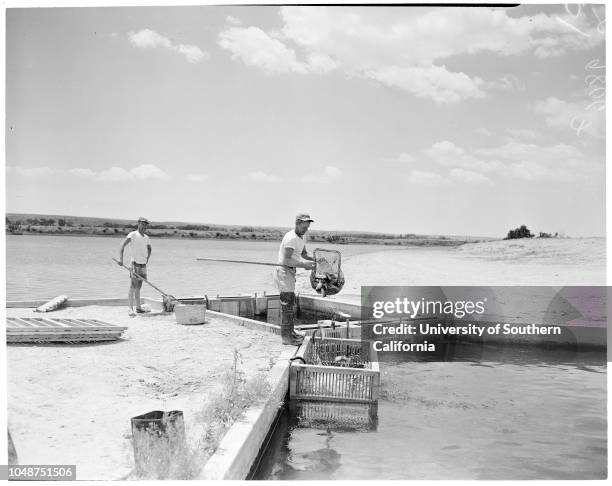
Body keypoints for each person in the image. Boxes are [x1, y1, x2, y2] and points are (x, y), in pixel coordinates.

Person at [274, 214, 316, 345]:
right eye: (304, 227)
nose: (306, 230)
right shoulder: (291, 238)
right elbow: (287, 259)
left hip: (291, 271)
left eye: (307, 227)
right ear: (297, 224)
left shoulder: (302, 237)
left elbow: (303, 254)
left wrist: (316, 259)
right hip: (284, 271)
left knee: (291, 303)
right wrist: (304, 265)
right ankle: (286, 338)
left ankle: (290, 333)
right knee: (287, 305)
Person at [118, 217, 152, 316]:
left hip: (143, 264)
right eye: (142, 224)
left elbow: (150, 249)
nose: (144, 226)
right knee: (133, 286)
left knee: (139, 287)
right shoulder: (132, 234)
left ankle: (138, 307)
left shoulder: (146, 237)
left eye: (146, 224)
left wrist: (147, 260)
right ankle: (130, 308)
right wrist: (121, 259)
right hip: (134, 263)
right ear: (138, 224)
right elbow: (122, 245)